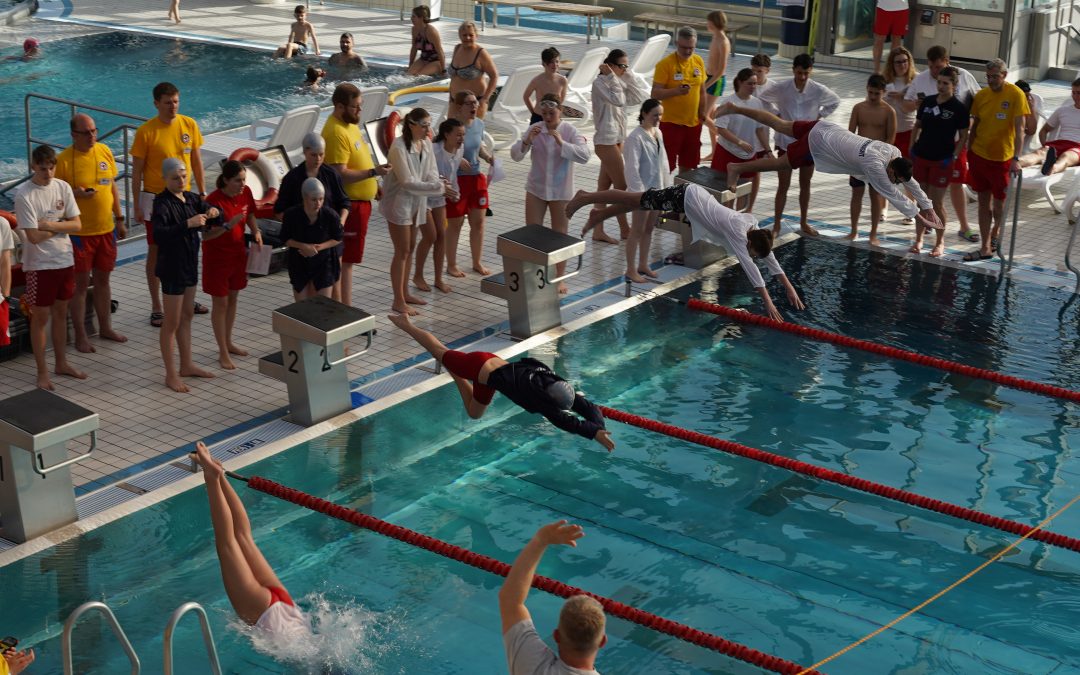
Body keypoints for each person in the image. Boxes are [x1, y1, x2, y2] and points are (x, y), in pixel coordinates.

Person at [566, 182, 805, 321]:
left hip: (691, 198)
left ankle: (597, 213)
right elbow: (751, 268)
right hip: (686, 198)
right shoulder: (738, 232)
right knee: (634, 199)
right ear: (750, 245)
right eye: (752, 253)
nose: (752, 256)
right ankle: (586, 197)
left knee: (637, 202)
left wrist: (789, 287)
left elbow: (769, 259)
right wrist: (768, 302)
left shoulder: (754, 232)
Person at [388, 313, 615, 449]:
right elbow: (565, 422)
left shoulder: (552, 382)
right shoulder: (540, 399)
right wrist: (593, 432)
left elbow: (585, 406)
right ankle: (405, 323)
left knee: (475, 413)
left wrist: (599, 428)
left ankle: (455, 372)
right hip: (478, 366)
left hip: (491, 372)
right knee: (439, 350)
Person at [719, 104, 942, 235]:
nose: (895, 182)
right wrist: (919, 217)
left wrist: (928, 206)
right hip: (819, 142)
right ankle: (737, 167)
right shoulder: (874, 166)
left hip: (826, 127)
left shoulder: (893, 152)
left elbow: (909, 181)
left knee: (780, 124)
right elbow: (892, 195)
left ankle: (734, 108)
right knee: (781, 163)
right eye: (895, 178)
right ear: (891, 172)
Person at [189, 441, 312, 636]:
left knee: (244, 537)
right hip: (263, 614)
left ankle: (220, 475)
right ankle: (212, 477)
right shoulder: (310, 666)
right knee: (227, 544)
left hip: (289, 607)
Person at [131, 81, 207, 328]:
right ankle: (157, 306)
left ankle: (186, 298)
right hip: (156, 200)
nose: (173, 106)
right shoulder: (146, 132)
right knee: (157, 251)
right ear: (156, 104)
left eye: (176, 101)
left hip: (184, 197)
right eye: (167, 102)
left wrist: (203, 192)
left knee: (187, 247)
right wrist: (137, 205)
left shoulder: (189, 124)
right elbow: (137, 172)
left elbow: (196, 161)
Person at [14, 145, 86, 391]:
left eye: (51, 167)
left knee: (60, 313)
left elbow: (77, 224)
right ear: (33, 166)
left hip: (64, 260)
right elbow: (33, 236)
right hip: (39, 266)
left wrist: (52, 225)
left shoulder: (63, 187)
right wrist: (60, 225)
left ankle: (61, 363)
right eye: (42, 168)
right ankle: (42, 372)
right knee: (40, 318)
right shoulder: (25, 195)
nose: (47, 173)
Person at [54, 113, 128, 353]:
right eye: (86, 133)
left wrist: (119, 218)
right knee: (80, 285)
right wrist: (75, 193)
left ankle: (105, 327)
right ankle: (80, 335)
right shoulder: (63, 161)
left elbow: (113, 186)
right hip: (80, 234)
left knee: (104, 281)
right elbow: (54, 199)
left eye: (94, 131)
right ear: (74, 135)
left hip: (106, 230)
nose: (92, 136)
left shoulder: (104, 151)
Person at [500, 521, 606, 675]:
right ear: (602, 641)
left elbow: (510, 600)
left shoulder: (532, 664)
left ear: (556, 636)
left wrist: (540, 540)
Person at [511, 94, 591, 294]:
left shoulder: (569, 131)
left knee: (559, 236)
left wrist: (562, 143)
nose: (547, 117)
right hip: (536, 189)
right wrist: (527, 141)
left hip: (560, 191)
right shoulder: (534, 129)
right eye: (544, 113)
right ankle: (533, 276)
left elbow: (585, 156)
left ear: (560, 110)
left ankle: (559, 278)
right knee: (532, 234)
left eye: (551, 113)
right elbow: (516, 155)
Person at [152, 158, 220, 392]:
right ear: (165, 179)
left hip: (189, 264)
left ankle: (187, 364)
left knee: (187, 315)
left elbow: (211, 212)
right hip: (171, 268)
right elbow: (160, 235)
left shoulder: (191, 198)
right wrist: (188, 224)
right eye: (175, 178)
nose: (181, 181)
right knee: (171, 322)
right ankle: (170, 374)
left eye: (183, 176)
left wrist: (213, 211)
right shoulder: (161, 204)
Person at [902, 45, 981, 243]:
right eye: (931, 68)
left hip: (952, 146)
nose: (934, 72)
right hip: (926, 149)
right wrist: (917, 105)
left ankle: (963, 226)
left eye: (938, 67)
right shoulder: (921, 80)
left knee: (957, 184)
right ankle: (925, 228)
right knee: (924, 195)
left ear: (946, 62)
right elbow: (907, 106)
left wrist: (968, 123)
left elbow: (979, 101)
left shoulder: (964, 76)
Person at [322, 83, 391, 307]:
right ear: (340, 106)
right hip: (348, 207)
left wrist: (373, 183)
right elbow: (339, 174)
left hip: (360, 204)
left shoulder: (349, 124)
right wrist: (373, 172)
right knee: (342, 262)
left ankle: (345, 310)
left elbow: (357, 160)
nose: (360, 111)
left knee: (348, 261)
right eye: (356, 107)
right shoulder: (334, 132)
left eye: (361, 106)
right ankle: (343, 312)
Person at [756, 53, 840, 237]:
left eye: (806, 74)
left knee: (805, 184)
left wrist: (819, 117)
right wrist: (776, 115)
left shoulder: (818, 89)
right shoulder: (782, 87)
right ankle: (776, 225)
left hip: (808, 141)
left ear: (811, 72)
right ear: (793, 70)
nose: (802, 77)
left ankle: (803, 222)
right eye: (799, 73)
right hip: (785, 141)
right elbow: (763, 98)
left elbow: (835, 101)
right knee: (783, 185)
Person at [380, 109, 447, 315]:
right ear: (411, 125)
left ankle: (405, 293)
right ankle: (398, 300)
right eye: (425, 125)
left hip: (417, 202)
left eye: (429, 124)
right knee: (402, 251)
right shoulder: (398, 148)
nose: (429, 129)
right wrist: (438, 187)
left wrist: (438, 184)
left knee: (409, 247)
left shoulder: (425, 144)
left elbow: (431, 172)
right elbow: (407, 182)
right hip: (398, 204)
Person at [962, 58, 1028, 262]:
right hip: (979, 155)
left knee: (998, 206)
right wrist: (969, 151)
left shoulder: (1015, 94)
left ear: (1005, 75)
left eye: (995, 77)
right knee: (983, 203)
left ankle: (995, 233)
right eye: (988, 77)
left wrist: (1016, 158)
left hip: (1002, 159)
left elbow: (1020, 130)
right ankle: (984, 248)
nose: (991, 80)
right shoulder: (981, 96)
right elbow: (974, 125)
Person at [204, 160, 261, 370]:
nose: (242, 184)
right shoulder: (212, 202)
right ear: (226, 180)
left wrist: (256, 231)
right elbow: (205, 236)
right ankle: (222, 352)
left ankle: (228, 342)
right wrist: (227, 226)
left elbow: (251, 214)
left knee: (233, 299)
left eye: (244, 179)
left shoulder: (245, 193)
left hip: (238, 256)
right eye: (238, 180)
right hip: (217, 260)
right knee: (221, 304)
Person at [590, 48, 649, 244]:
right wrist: (612, 77)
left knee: (603, 187)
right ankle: (625, 229)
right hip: (605, 142)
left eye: (627, 66)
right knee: (622, 186)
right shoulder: (600, 83)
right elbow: (618, 100)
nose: (625, 70)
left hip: (617, 140)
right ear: (611, 66)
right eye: (622, 66)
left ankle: (597, 229)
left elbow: (640, 96)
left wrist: (628, 74)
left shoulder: (620, 80)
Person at [910, 66, 969, 257]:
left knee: (936, 204)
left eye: (945, 83)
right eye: (939, 82)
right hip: (922, 156)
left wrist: (953, 157)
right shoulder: (927, 102)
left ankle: (939, 242)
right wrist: (912, 148)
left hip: (941, 160)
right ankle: (918, 239)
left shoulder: (959, 108)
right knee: (921, 201)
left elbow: (963, 135)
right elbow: (917, 125)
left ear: (954, 85)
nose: (941, 86)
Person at [445, 91, 494, 277]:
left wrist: (488, 157)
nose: (474, 106)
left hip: (476, 178)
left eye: (475, 102)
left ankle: (476, 262)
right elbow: (442, 153)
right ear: (459, 107)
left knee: (479, 222)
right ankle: (451, 264)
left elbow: (478, 146)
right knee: (455, 224)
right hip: (457, 180)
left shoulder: (479, 124)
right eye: (469, 103)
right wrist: (456, 160)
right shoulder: (450, 127)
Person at [415, 118, 465, 294]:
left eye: (463, 135)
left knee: (442, 236)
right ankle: (418, 275)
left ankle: (438, 279)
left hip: (440, 196)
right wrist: (440, 186)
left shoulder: (459, 151)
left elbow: (453, 177)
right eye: (458, 135)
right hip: (423, 196)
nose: (461, 139)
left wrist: (455, 193)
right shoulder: (434, 151)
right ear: (446, 134)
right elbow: (422, 175)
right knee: (430, 236)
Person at [710, 68, 770, 212]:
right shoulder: (729, 102)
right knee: (727, 192)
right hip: (727, 152)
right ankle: (725, 222)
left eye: (755, 84)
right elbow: (721, 129)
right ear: (740, 83)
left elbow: (760, 129)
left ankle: (740, 222)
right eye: (750, 84)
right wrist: (739, 142)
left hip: (748, 154)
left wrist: (767, 150)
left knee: (744, 190)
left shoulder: (757, 103)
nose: (753, 87)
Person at [651, 26, 708, 173]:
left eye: (692, 48)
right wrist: (675, 91)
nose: (688, 51)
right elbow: (655, 93)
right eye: (684, 47)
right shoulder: (665, 64)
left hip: (693, 124)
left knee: (688, 167)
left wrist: (702, 113)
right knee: (665, 167)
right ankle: (664, 194)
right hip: (671, 124)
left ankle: (682, 195)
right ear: (676, 43)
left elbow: (702, 91)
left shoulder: (698, 61)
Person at [622, 99, 668, 282]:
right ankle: (630, 269)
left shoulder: (658, 133)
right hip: (641, 192)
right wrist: (639, 194)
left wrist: (665, 189)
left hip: (657, 190)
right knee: (637, 230)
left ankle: (643, 264)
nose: (658, 118)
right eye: (655, 115)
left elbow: (663, 163)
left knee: (649, 229)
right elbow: (631, 168)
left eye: (661, 115)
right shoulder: (635, 138)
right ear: (644, 114)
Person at [848, 74, 896, 245]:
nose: (873, 97)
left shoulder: (889, 111)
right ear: (867, 90)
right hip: (859, 159)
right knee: (856, 194)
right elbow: (850, 135)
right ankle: (854, 231)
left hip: (877, 160)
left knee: (875, 196)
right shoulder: (858, 108)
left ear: (883, 92)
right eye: (870, 93)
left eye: (877, 93)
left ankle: (873, 234)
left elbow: (890, 139)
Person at [281, 178, 343, 301]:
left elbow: (338, 237)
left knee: (323, 305)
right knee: (302, 307)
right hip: (299, 261)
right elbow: (284, 238)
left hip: (324, 262)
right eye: (314, 200)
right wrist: (303, 246)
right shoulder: (292, 215)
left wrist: (318, 248)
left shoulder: (330, 215)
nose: (318, 203)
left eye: (321, 199)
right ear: (304, 198)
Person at [1019, 78, 1080, 176]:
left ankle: (1052, 168)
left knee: (1066, 156)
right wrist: (1045, 145)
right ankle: (1014, 164)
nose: (1075, 96)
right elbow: (1044, 130)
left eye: (1079, 93)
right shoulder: (1062, 110)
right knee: (1039, 153)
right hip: (1057, 145)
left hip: (1077, 147)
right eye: (1073, 93)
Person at [447, 21, 498, 117]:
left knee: (472, 131)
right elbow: (454, 78)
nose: (467, 38)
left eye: (471, 35)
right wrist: (450, 97)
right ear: (459, 35)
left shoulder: (481, 53)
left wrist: (485, 100)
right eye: (464, 35)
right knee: (451, 131)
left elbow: (494, 76)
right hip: (455, 102)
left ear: (476, 36)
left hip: (474, 104)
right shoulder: (457, 48)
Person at [702, 10, 731, 161]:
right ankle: (714, 152)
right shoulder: (715, 37)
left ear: (714, 22)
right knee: (711, 116)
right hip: (709, 78)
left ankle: (727, 139)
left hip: (716, 81)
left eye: (708, 21)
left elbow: (721, 71)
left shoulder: (723, 42)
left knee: (702, 116)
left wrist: (706, 86)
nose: (707, 24)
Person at [883, 47, 917, 159]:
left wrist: (902, 96)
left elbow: (919, 103)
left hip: (908, 130)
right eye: (898, 62)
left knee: (905, 168)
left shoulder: (916, 79)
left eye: (905, 61)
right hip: (887, 131)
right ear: (891, 64)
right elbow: (871, 100)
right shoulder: (884, 80)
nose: (902, 65)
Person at [523, 47, 569, 126]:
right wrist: (533, 112)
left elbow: (561, 101)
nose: (555, 65)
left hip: (554, 117)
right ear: (544, 64)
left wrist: (556, 114)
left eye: (557, 61)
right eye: (551, 62)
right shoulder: (537, 80)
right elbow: (526, 96)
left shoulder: (562, 81)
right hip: (538, 117)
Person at [872, 0, 909, 75]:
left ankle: (892, 69)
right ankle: (876, 70)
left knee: (897, 39)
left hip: (902, 8)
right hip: (883, 7)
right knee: (879, 39)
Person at [407, 6, 444, 76]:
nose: (411, 18)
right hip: (423, 59)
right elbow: (414, 48)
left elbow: (440, 51)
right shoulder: (414, 30)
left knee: (419, 76)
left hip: (436, 61)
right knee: (408, 75)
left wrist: (444, 70)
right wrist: (410, 64)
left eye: (413, 16)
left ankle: (437, 69)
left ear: (421, 18)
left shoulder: (431, 32)